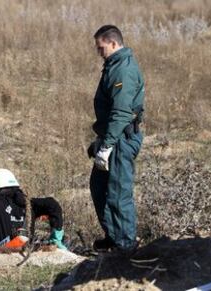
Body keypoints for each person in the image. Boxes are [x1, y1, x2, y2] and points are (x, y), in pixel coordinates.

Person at [88, 25, 145, 254]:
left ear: (113, 43)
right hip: (112, 137)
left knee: (118, 193)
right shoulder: (113, 65)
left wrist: (107, 145)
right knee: (99, 187)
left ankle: (126, 245)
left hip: (121, 139)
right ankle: (113, 237)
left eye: (101, 48)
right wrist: (100, 141)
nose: (99, 52)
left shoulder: (124, 70)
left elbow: (121, 113)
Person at [0, 169, 67, 257]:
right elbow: (52, 204)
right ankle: (57, 240)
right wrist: (56, 238)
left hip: (1, 251)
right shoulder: (29, 203)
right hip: (27, 249)